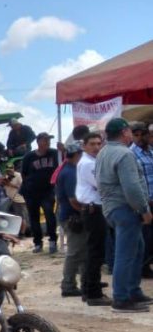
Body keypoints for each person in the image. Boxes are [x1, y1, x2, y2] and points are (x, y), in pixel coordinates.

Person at [95, 118, 153, 313]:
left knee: (137, 249)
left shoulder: (104, 152)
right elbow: (132, 187)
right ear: (124, 132)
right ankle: (121, 298)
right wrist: (144, 210)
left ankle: (133, 291)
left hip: (112, 208)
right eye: (129, 131)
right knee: (126, 254)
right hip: (125, 208)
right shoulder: (124, 154)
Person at [76, 132, 110, 306]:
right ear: (84, 146)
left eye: (98, 143)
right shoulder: (88, 163)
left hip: (95, 209)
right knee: (95, 252)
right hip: (93, 210)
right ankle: (93, 293)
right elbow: (102, 184)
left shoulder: (93, 161)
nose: (96, 147)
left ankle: (88, 289)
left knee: (94, 251)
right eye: (92, 144)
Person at [20, 133, 60, 253]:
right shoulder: (29, 156)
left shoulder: (54, 153)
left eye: (49, 140)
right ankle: (38, 243)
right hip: (31, 192)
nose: (48, 142)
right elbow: (23, 173)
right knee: (34, 217)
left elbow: (63, 161)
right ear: (38, 142)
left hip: (47, 191)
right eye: (45, 140)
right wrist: (28, 185)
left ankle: (53, 241)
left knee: (49, 215)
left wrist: (62, 150)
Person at [56, 143, 86, 297]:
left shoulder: (68, 170)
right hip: (72, 217)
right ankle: (68, 285)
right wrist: (85, 211)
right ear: (77, 155)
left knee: (81, 250)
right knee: (74, 252)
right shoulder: (70, 173)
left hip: (70, 215)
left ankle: (84, 281)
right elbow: (73, 199)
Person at [128, 122, 153, 279]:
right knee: (145, 236)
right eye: (136, 135)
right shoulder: (131, 154)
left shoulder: (150, 152)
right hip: (145, 200)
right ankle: (143, 267)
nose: (140, 138)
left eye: (142, 134)